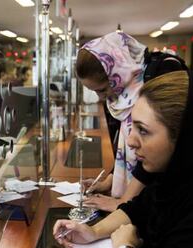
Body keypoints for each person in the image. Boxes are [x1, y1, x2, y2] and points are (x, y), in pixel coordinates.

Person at [53, 71, 193, 248]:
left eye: (143, 130)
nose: (130, 141)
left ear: (183, 138)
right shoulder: (171, 179)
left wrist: (124, 247)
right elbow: (136, 208)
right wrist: (93, 231)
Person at [76, 31, 185, 212]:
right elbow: (123, 149)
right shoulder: (116, 96)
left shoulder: (163, 73)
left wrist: (126, 202)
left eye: (102, 89)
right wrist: (110, 181)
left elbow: (156, 152)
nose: (101, 97)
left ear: (117, 71)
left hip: (169, 192)